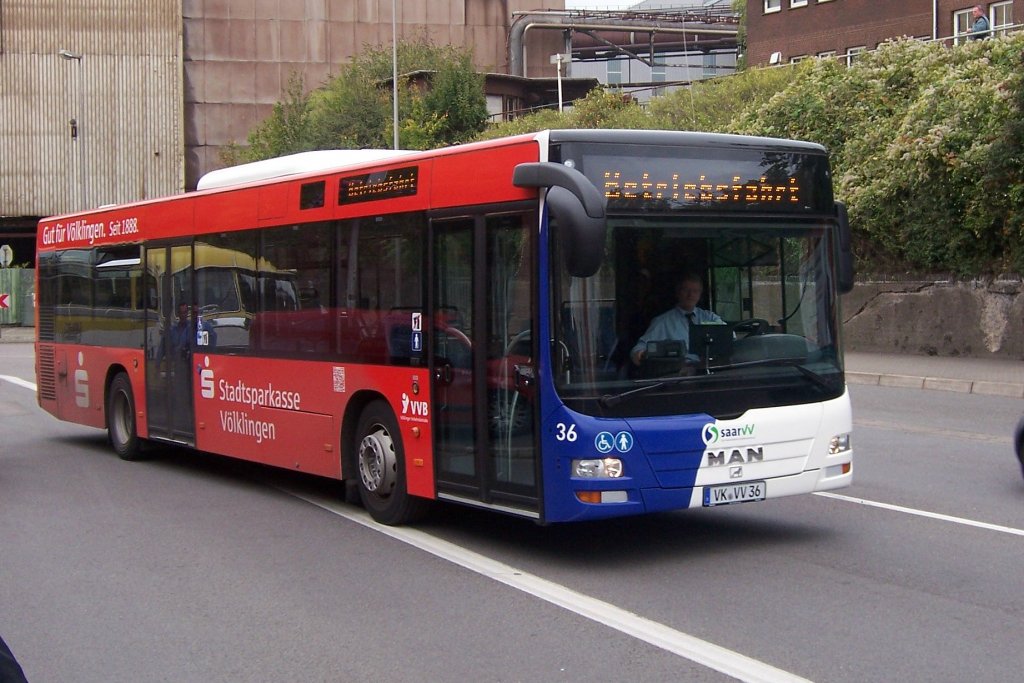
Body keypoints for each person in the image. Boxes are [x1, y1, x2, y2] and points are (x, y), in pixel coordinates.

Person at [630, 272, 724, 366]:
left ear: (700, 294)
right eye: (686, 290)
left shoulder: (709, 317)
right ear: (678, 292)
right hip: (678, 375)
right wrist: (641, 354)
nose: (690, 295)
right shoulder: (662, 322)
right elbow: (638, 349)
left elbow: (729, 335)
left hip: (709, 371)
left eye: (695, 291)